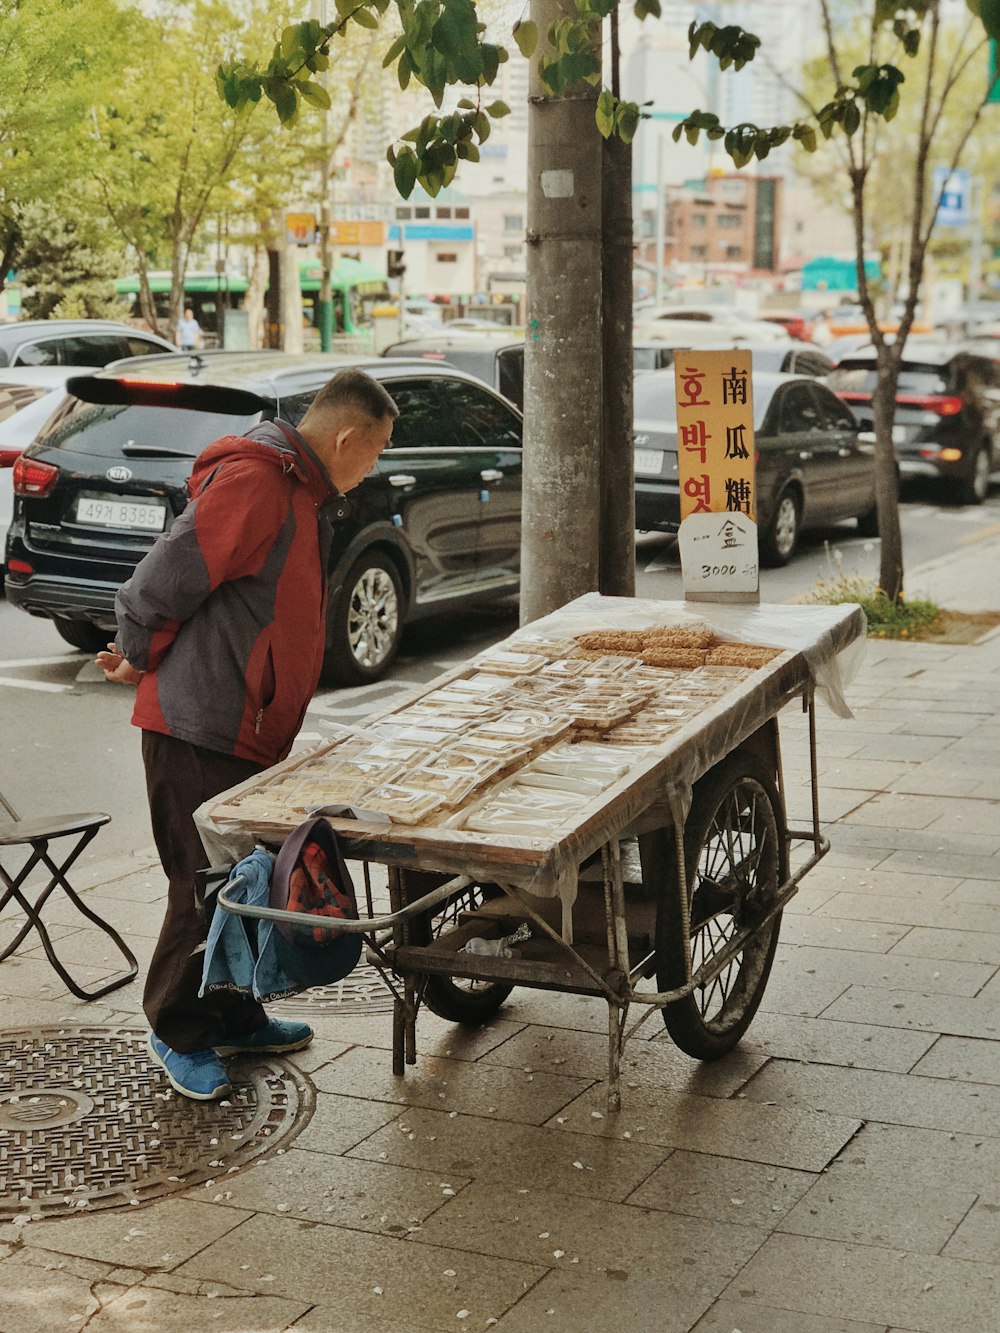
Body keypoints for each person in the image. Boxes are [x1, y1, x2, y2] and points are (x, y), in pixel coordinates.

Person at [97, 369, 398, 1101]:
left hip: (244, 728)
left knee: (244, 881)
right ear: (348, 438)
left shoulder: (302, 489)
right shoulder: (260, 481)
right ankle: (175, 1028)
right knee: (201, 885)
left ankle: (232, 1011)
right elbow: (167, 573)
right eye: (378, 450)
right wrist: (136, 648)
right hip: (201, 723)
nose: (376, 466)